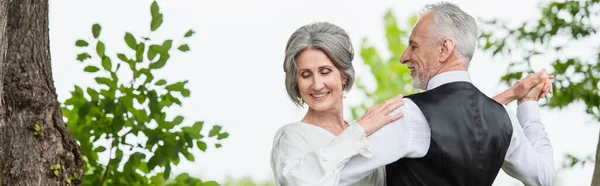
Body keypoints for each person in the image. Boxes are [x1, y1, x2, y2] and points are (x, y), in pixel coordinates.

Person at [270, 19, 551, 186]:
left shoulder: (368, 130)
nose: (316, 84)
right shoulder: (293, 137)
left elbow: (444, 124)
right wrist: (359, 131)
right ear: (296, 81)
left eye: (325, 71)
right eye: (306, 75)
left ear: (344, 76)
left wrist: (511, 95)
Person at [338, 2, 554, 186]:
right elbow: (544, 176)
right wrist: (528, 104)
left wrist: (356, 130)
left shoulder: (408, 114)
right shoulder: (504, 119)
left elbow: (333, 173)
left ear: (444, 49)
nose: (404, 57)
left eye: (414, 46)